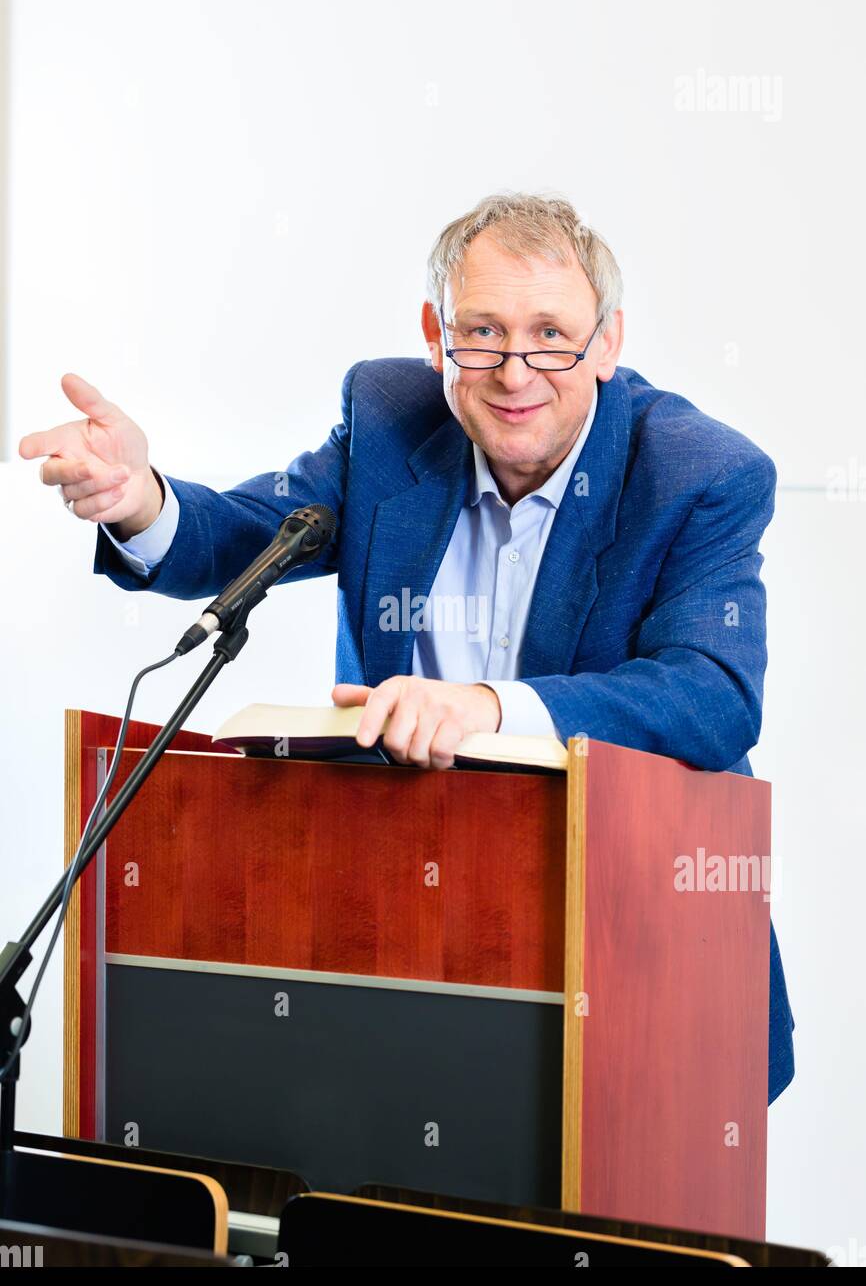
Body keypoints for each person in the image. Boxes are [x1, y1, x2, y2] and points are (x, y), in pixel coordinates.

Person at [19, 191, 795, 1103]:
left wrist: (491, 711)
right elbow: (263, 528)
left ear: (609, 342)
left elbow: (711, 693)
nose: (515, 371)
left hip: (641, 949)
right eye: (482, 332)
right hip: (412, 929)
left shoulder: (699, 470)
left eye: (552, 334)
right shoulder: (390, 417)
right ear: (436, 332)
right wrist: (142, 499)